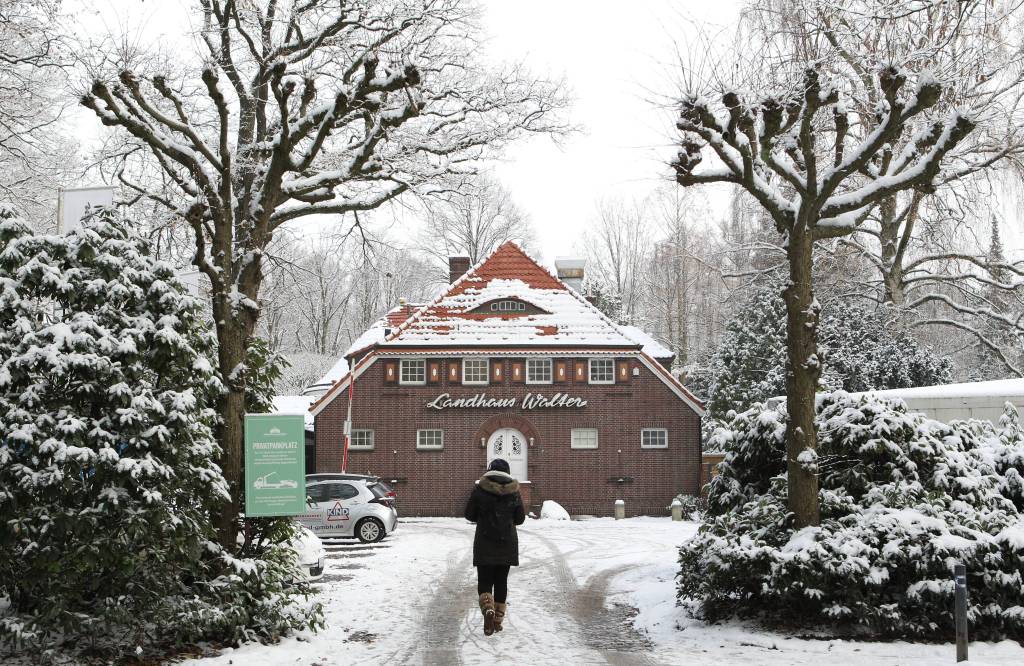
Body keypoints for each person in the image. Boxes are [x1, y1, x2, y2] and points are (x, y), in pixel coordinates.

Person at [464, 457, 526, 636]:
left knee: (484, 581)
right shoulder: (514, 492)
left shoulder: (480, 489)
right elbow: (520, 519)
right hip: (507, 544)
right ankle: (497, 620)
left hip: (484, 542)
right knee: (501, 581)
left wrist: (483, 516)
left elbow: (469, 514)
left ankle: (487, 610)